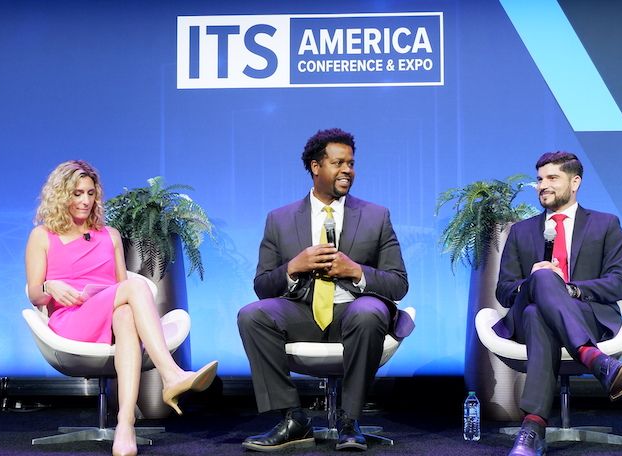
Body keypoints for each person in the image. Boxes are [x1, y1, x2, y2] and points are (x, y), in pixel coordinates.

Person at [25, 160, 218, 456]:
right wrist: (51, 287)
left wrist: (107, 294)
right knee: (135, 287)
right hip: (71, 321)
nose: (85, 201)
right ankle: (171, 375)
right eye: (77, 193)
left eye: (90, 193)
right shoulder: (42, 235)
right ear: (61, 195)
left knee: (126, 311)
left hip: (109, 314)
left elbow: (118, 286)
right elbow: (35, 294)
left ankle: (125, 423)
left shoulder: (110, 235)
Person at [237, 128, 413, 452]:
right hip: (302, 311)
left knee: (369, 312)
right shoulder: (280, 219)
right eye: (338, 163)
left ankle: (350, 420)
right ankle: (293, 418)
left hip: (355, 311)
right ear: (316, 167)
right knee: (251, 316)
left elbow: (398, 283)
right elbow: (262, 286)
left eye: (351, 163)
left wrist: (356, 271)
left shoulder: (376, 216)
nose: (347, 170)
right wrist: (294, 266)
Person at [494, 151, 622, 456]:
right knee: (542, 280)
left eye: (551, 178)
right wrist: (533, 281)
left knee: (538, 312)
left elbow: (618, 282)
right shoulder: (521, 231)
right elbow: (504, 291)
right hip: (526, 314)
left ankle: (532, 428)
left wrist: (569, 289)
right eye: (539, 179)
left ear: (575, 182)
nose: (542, 186)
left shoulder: (605, 224)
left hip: (586, 314)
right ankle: (596, 360)